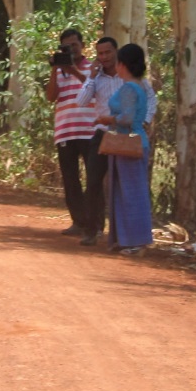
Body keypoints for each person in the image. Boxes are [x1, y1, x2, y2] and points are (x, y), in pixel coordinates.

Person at [98, 43, 153, 254]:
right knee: (125, 190)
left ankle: (135, 241)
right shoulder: (139, 85)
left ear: (123, 64)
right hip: (129, 143)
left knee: (131, 192)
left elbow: (127, 118)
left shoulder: (130, 88)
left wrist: (107, 119)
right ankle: (126, 238)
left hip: (128, 142)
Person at [44, 28, 96, 238]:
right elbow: (50, 97)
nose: (71, 49)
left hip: (90, 131)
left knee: (93, 180)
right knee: (70, 179)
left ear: (82, 45)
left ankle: (95, 224)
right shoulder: (58, 71)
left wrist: (73, 69)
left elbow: (94, 88)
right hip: (65, 131)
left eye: (74, 45)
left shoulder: (93, 67)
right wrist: (56, 69)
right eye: (66, 46)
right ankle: (78, 221)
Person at [74, 36, 122, 246]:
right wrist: (91, 77)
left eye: (108, 52)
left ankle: (122, 234)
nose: (104, 57)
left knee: (122, 185)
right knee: (93, 183)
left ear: (116, 52)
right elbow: (81, 101)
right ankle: (91, 230)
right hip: (101, 135)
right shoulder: (96, 78)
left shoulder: (127, 75)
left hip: (124, 135)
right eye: (100, 54)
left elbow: (147, 97)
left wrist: (145, 120)